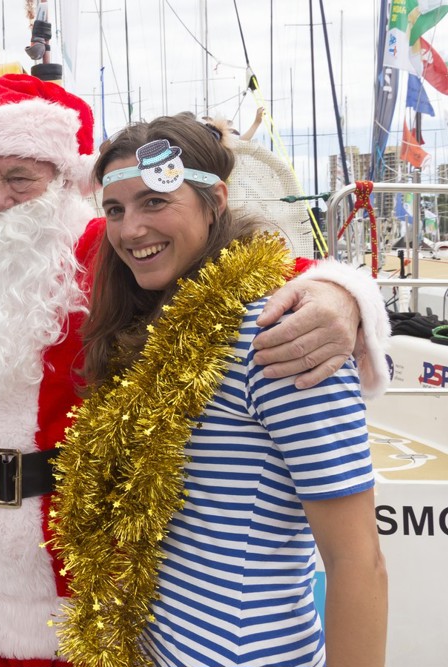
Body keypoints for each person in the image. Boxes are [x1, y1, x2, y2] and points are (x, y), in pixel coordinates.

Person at [0, 74, 387, 666]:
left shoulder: (113, 250)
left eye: (19, 178)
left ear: (63, 178)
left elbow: (260, 268)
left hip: (73, 557)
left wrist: (339, 292)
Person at [50, 113, 388, 667]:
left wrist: (345, 293)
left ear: (216, 201)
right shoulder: (151, 329)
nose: (130, 229)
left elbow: (358, 562)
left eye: (155, 201)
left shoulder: (280, 335)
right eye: (115, 209)